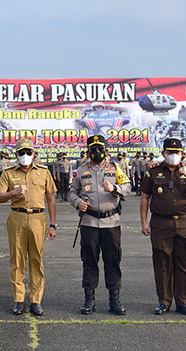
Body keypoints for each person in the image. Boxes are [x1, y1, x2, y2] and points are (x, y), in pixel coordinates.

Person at [140, 138, 186, 316]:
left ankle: (183, 302)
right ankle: (164, 302)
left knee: (184, 262)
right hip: (161, 223)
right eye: (170, 152)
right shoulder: (153, 172)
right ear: (163, 154)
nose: (174, 155)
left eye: (177, 152)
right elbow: (145, 197)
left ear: (182, 153)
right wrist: (144, 222)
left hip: (185, 222)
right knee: (162, 263)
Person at [69, 135, 130, 315]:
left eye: (99, 148)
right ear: (88, 151)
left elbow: (128, 186)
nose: (96, 152)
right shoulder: (81, 171)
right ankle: (89, 299)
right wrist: (78, 202)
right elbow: (72, 192)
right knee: (89, 261)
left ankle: (115, 300)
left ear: (106, 150)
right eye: (93, 149)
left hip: (111, 222)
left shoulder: (115, 168)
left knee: (113, 260)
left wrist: (115, 188)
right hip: (89, 222)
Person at [0, 138, 57, 316]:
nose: (25, 155)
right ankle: (19, 300)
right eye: (21, 152)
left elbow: (51, 199)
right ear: (16, 155)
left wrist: (53, 224)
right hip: (17, 217)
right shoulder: (8, 173)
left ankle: (36, 300)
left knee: (37, 260)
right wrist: (13, 193)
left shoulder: (44, 172)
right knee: (18, 260)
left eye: (28, 152)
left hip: (38, 218)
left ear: (34, 154)